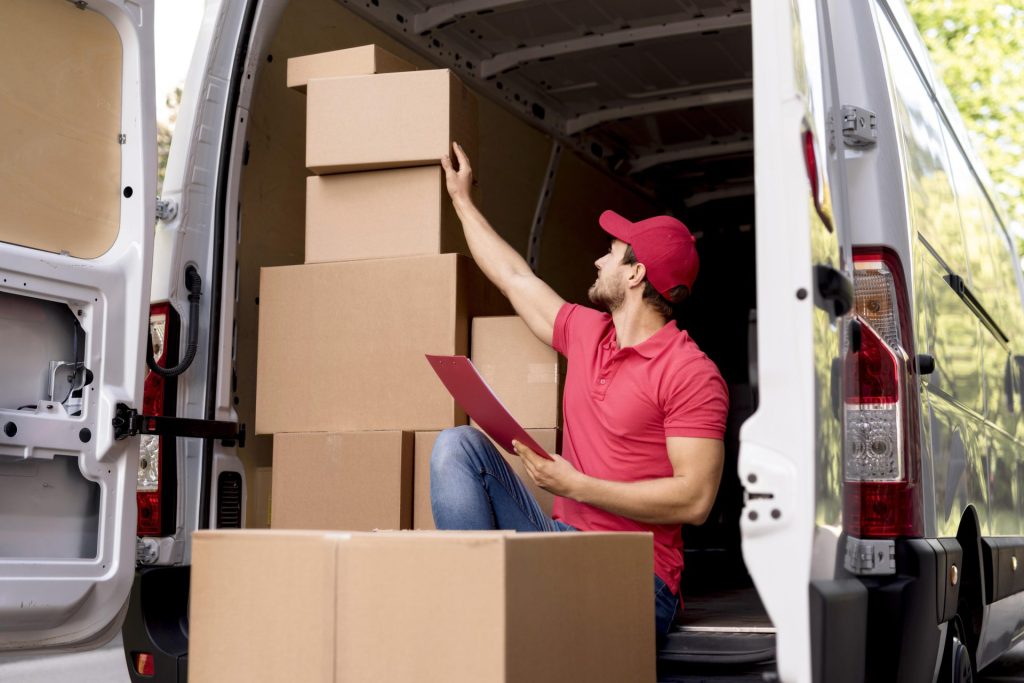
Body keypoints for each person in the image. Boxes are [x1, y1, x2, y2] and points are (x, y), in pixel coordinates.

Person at [431, 141, 729, 646]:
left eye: (610, 253)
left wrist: (575, 486)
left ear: (635, 274)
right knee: (457, 446)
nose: (597, 260)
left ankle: (487, 631)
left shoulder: (690, 372)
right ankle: (476, 624)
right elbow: (513, 277)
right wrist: (461, 200)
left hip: (636, 575)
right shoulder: (588, 333)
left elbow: (694, 499)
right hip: (563, 546)